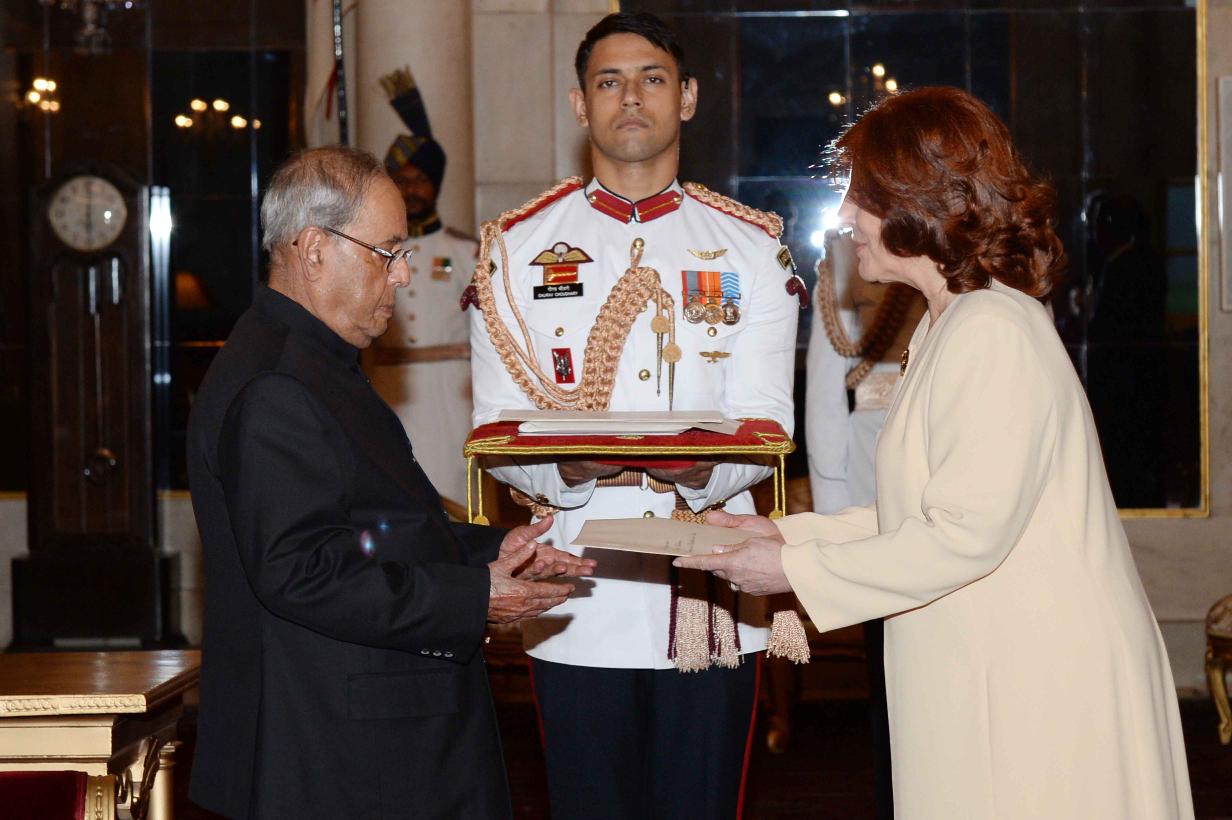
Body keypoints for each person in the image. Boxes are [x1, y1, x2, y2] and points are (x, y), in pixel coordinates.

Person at [677, 87, 1195, 819]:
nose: (846, 216)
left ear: (919, 202)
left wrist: (791, 569)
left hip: (1034, 681)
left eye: (862, 195)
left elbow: (963, 534)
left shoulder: (990, 331)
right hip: (997, 660)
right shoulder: (953, 320)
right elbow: (920, 509)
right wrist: (785, 536)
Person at [186, 145, 593, 819]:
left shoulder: (309, 361)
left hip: (360, 740)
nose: (403, 274)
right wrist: (474, 597)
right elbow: (302, 572)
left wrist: (492, 551)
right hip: (340, 756)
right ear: (314, 250)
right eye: (388, 252)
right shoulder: (277, 385)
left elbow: (374, 529)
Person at [468, 12, 801, 819]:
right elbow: (494, 432)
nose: (630, 98)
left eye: (652, 79)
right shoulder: (514, 249)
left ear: (686, 98)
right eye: (608, 81)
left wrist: (698, 473)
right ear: (579, 104)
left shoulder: (752, 248)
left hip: (712, 585)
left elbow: (767, 427)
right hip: (578, 593)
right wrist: (567, 468)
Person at [804, 226, 924, 818]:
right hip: (873, 481)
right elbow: (826, 395)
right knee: (890, 673)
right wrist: (833, 512)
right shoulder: (849, 260)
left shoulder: (991, 253)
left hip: (956, 479)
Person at [367, 65, 478, 505]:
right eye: (403, 180)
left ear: (435, 186)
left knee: (453, 495)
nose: (412, 189)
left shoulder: (466, 252)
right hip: (390, 389)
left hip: (451, 394)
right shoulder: (373, 250)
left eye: (421, 180)